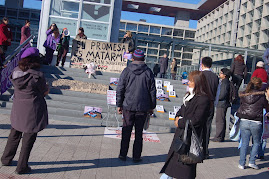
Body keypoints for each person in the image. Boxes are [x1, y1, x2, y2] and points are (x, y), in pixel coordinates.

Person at [1, 47, 49, 174]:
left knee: (14, 133)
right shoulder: (38, 75)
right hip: (32, 110)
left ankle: (6, 159)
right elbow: (44, 91)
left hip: (18, 108)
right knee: (29, 137)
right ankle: (22, 167)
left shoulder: (15, 71)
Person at [160, 71, 211, 179]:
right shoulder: (189, 96)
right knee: (172, 166)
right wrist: (177, 117)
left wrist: (180, 122)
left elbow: (197, 120)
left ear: (197, 82)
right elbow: (181, 110)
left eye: (191, 81)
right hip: (181, 135)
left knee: (185, 166)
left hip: (190, 138)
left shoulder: (203, 99)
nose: (188, 82)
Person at [116, 49, 156, 162]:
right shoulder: (148, 72)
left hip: (128, 106)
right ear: (143, 59)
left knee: (126, 131)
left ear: (133, 58)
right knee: (139, 133)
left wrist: (119, 104)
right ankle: (136, 156)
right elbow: (152, 91)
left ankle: (122, 154)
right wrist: (152, 106)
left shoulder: (127, 70)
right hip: (142, 107)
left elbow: (120, 89)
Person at [236, 77, 268, 170]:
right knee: (256, 142)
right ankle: (252, 162)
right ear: (260, 85)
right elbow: (266, 107)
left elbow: (242, 104)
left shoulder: (244, 94)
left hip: (244, 119)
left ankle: (241, 163)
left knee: (244, 142)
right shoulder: (262, 96)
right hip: (256, 121)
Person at [201, 57, 219, 158]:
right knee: (207, 127)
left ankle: (196, 148)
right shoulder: (215, 77)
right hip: (210, 104)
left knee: (198, 126)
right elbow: (218, 93)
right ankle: (205, 150)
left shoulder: (199, 75)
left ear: (202, 64)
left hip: (199, 104)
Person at [212, 68, 231, 142]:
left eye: (221, 73)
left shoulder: (225, 83)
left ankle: (218, 136)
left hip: (221, 103)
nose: (219, 74)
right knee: (221, 119)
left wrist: (217, 98)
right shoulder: (224, 82)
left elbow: (223, 94)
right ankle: (221, 136)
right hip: (222, 103)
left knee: (219, 120)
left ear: (225, 75)